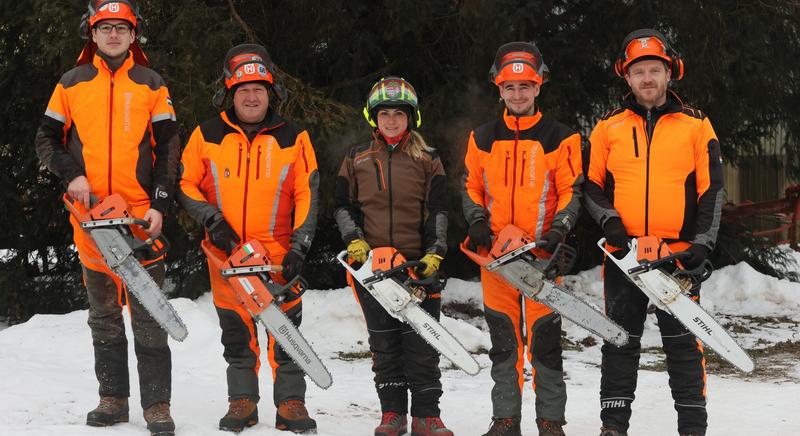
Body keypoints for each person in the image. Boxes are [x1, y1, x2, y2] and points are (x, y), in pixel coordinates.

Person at [34, 1, 179, 435]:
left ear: (133, 36)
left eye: (121, 28)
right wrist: (72, 174)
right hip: (90, 218)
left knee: (150, 314)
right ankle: (112, 398)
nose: (113, 34)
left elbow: (170, 148)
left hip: (139, 218)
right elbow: (46, 138)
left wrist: (160, 203)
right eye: (105, 28)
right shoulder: (71, 83)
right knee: (103, 313)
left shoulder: (152, 83)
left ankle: (157, 405)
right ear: (92, 34)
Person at [584, 29, 724, 436]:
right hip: (623, 254)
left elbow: (712, 188)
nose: (647, 78)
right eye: (639, 71)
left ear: (669, 74)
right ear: (626, 78)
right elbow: (590, 185)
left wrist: (702, 243)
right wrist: (609, 221)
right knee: (619, 341)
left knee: (683, 344)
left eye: (655, 70)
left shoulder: (696, 125)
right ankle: (613, 426)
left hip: (676, 254)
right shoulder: (608, 126)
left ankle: (693, 428)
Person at [177, 43, 320, 434]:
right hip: (227, 252)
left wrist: (300, 246)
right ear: (230, 93)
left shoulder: (294, 137)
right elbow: (185, 183)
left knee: (286, 332)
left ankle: (291, 403)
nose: (251, 97)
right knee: (237, 335)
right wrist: (212, 220)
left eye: (258, 89)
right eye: (243, 90)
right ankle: (242, 402)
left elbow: (308, 191)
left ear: (271, 93)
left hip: (277, 253)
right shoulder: (206, 135)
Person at [461, 42, 583, 436]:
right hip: (496, 257)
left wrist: (559, 228)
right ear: (499, 89)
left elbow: (572, 191)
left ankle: (550, 421)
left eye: (525, 86)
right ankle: (505, 420)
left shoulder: (560, 137)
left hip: (541, 255)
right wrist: (477, 220)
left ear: (538, 87)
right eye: (510, 88)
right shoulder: (481, 137)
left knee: (546, 344)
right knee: (503, 342)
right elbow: (470, 187)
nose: (517, 95)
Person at [334, 77, 452, 436]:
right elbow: (341, 206)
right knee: (384, 345)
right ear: (373, 117)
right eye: (384, 114)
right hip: (372, 267)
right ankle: (392, 414)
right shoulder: (356, 157)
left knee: (422, 344)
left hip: (416, 266)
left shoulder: (427, 158)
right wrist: (354, 241)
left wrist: (436, 252)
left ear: (411, 118)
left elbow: (439, 210)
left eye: (398, 114)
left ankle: (427, 416)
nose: (390, 121)